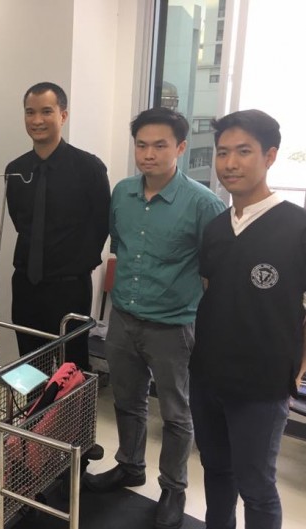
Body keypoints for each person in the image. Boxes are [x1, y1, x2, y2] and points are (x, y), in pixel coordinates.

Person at [82, 107, 225, 529]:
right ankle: (130, 466)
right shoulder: (123, 192)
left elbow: (216, 272)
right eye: (141, 145)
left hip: (174, 326)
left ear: (180, 148)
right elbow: (120, 248)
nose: (148, 154)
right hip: (124, 318)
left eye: (160, 145)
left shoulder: (204, 204)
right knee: (127, 400)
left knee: (177, 414)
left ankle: (173, 489)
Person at [189, 109, 306, 529]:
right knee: (216, 471)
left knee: (257, 486)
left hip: (261, 385)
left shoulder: (297, 227)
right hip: (208, 377)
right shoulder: (217, 228)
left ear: (270, 156)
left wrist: (299, 366)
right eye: (222, 153)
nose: (230, 163)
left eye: (243, 151)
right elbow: (212, 290)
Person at [5, 82, 110, 369]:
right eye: (30, 112)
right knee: (29, 367)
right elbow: (20, 221)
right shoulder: (16, 170)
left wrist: (76, 262)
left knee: (71, 369)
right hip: (26, 285)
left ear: (63, 115)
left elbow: (101, 224)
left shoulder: (89, 168)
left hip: (70, 288)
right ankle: (35, 403)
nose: (37, 120)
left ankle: (70, 404)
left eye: (46, 111)